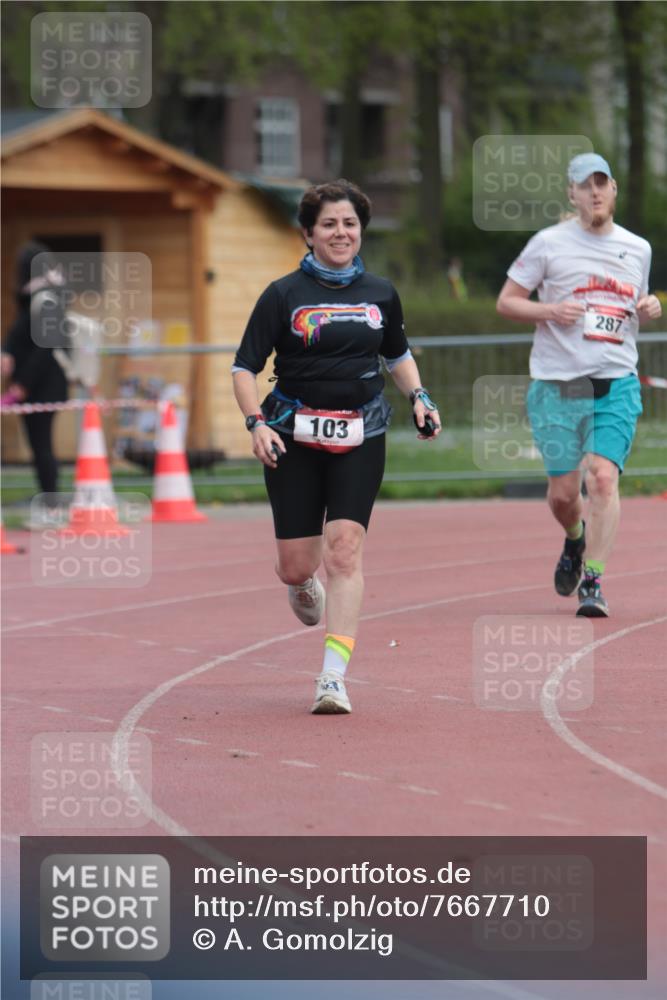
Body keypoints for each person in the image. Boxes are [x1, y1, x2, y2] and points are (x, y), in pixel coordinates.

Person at [232, 179, 441, 713]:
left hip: (361, 431)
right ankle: (301, 586)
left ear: (361, 232)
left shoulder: (381, 293)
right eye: (329, 224)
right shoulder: (282, 295)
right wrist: (256, 422)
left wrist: (418, 396)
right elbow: (244, 367)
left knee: (344, 550)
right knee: (297, 565)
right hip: (291, 434)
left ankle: (332, 676)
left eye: (350, 223)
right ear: (308, 234)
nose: (341, 232)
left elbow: (397, 354)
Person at [496, 152, 662, 617]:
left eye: (602, 184)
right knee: (565, 496)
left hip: (616, 381)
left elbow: (632, 311)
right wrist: (550, 310)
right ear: (571, 193)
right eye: (585, 185)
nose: (594, 193)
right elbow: (507, 302)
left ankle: (594, 580)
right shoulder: (547, 244)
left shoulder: (638, 247)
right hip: (558, 385)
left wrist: (648, 308)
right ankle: (574, 540)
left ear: (614, 191)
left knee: (603, 478)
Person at [2, 241, 69, 512]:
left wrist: (22, 386)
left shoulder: (48, 299)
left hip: (44, 385)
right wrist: (6, 352)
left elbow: (44, 347)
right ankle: (48, 497)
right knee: (39, 444)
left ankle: (51, 501)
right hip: (36, 385)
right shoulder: (35, 297)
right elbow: (19, 336)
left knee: (42, 445)